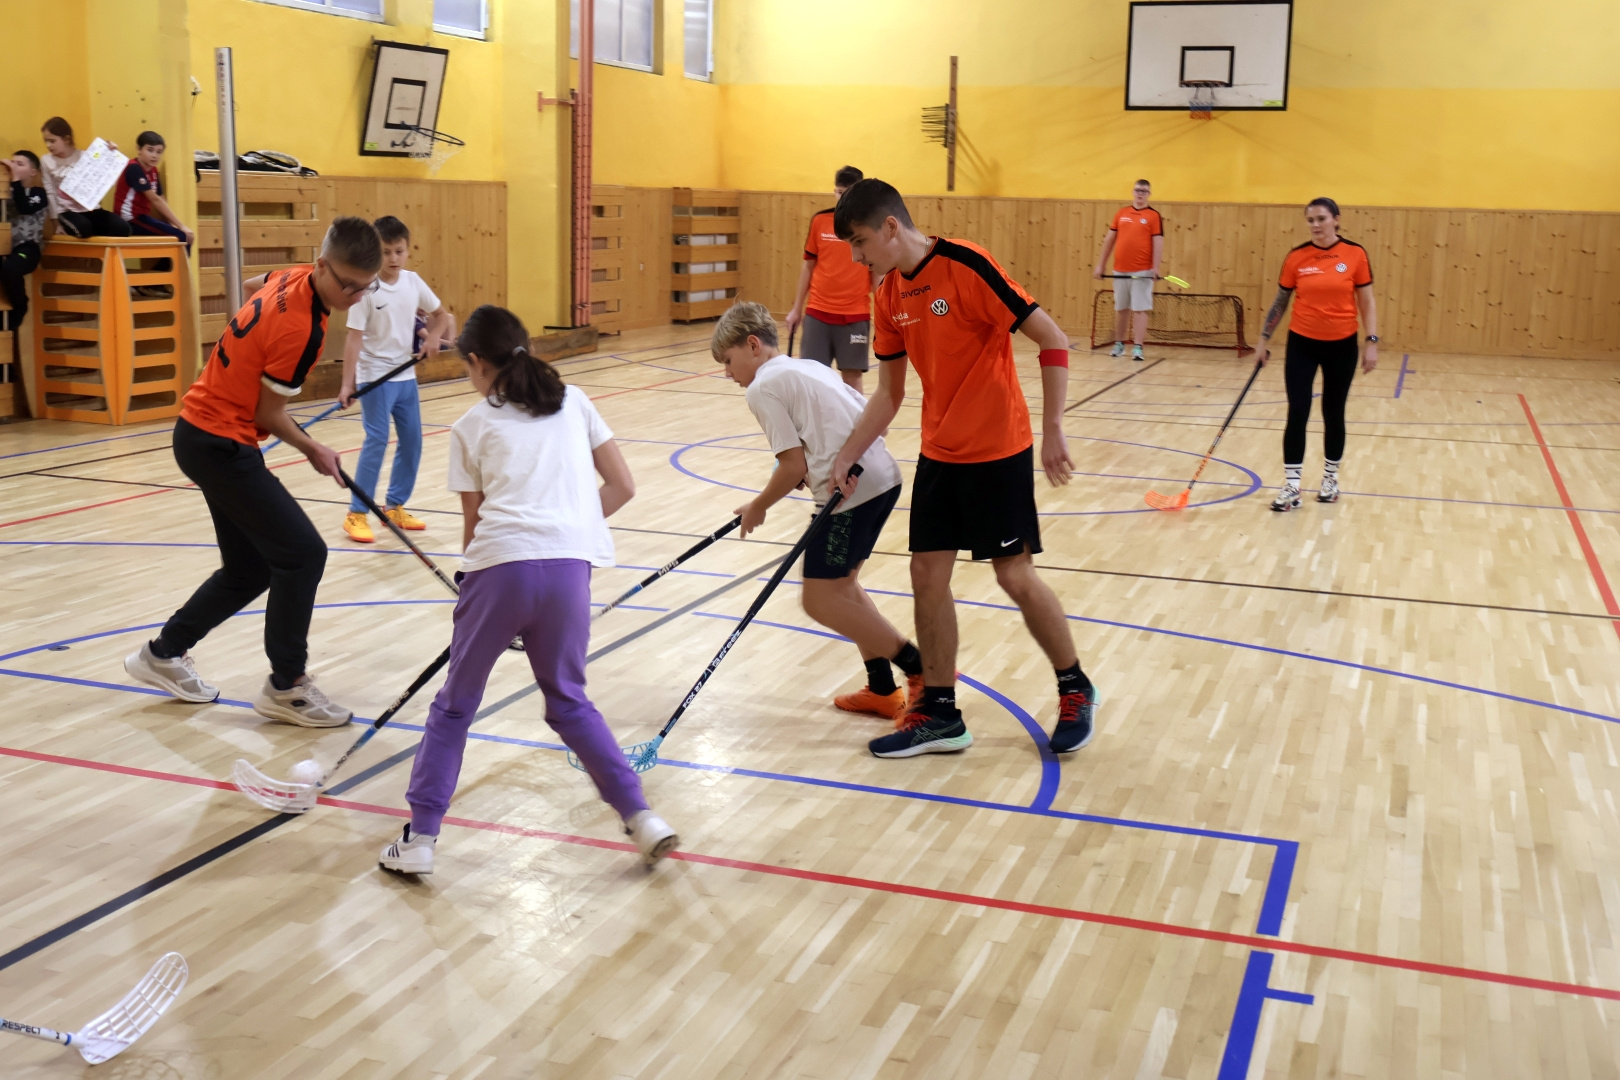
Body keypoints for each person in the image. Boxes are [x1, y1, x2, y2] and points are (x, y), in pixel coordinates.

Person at [379, 305, 677, 875]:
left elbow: (475, 530)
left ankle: (421, 840)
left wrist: (476, 592)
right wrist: (565, 529)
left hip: (500, 571)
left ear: (475, 361)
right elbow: (622, 486)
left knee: (454, 707)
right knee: (569, 702)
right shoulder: (576, 401)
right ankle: (641, 817)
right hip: (570, 571)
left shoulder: (470, 426)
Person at [828, 179, 1099, 759]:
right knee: (926, 576)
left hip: (999, 449)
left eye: (859, 242)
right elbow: (889, 393)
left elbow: (1052, 339)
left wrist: (1053, 428)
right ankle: (941, 713)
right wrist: (848, 455)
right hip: (940, 452)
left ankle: (1075, 686)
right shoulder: (888, 295)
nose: (856, 257)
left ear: (891, 227)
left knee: (1014, 577)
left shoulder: (966, 265)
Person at [122, 218, 384, 727]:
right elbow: (269, 413)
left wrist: (247, 353)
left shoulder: (292, 277)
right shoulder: (302, 330)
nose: (354, 296)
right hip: (219, 443)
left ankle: (162, 654)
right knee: (303, 554)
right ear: (323, 265)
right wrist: (313, 448)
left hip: (202, 435)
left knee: (251, 569)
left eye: (364, 287)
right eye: (347, 284)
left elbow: (249, 287)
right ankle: (287, 687)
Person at [712, 301, 924, 722]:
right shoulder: (808, 367)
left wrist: (758, 506)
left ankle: (922, 669)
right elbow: (871, 423)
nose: (727, 373)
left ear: (752, 345)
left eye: (728, 361)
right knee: (842, 588)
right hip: (882, 478)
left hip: (850, 492)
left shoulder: (762, 388)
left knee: (819, 599)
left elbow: (792, 466)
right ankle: (883, 689)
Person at [1254, 197, 1378, 510]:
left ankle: (1330, 480)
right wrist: (1263, 338)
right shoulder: (1297, 257)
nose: (1316, 225)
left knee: (1333, 413)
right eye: (1310, 220)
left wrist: (1371, 340)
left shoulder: (1355, 254)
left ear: (1336, 219)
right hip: (1302, 344)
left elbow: (1366, 300)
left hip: (1342, 345)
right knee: (1297, 411)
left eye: (1321, 219)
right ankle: (1292, 487)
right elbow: (1281, 301)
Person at [336, 215, 451, 543]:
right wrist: (347, 384)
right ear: (376, 252)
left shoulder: (413, 282)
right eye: (386, 252)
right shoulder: (367, 288)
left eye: (399, 251)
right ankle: (357, 513)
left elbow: (442, 315)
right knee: (377, 440)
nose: (393, 258)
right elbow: (353, 338)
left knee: (412, 441)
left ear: (407, 250)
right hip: (375, 377)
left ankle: (395, 506)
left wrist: (434, 337)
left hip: (405, 377)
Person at [784, 165, 873, 392]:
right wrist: (796, 309)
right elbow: (808, 266)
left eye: (847, 193)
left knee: (852, 380)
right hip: (818, 313)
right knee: (813, 379)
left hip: (855, 315)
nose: (842, 198)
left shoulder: (870, 225)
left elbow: (877, 273)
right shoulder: (820, 221)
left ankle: (855, 418)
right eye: (839, 192)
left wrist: (885, 315)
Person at [1092, 179, 1163, 361]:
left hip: (1143, 272)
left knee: (1140, 309)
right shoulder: (1121, 213)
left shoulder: (1154, 216)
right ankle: (1119, 344)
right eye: (1138, 190)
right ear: (1133, 191)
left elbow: (1158, 242)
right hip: (1120, 271)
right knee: (1121, 308)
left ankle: (1138, 347)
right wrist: (1101, 265)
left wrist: (1155, 268)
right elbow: (1109, 240)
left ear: (1149, 194)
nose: (1140, 194)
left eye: (1144, 191)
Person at [38, 117, 131, 239]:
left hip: (90, 208)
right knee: (84, 228)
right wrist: (55, 223)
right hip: (66, 211)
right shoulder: (46, 160)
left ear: (66, 139)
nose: (48, 145)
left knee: (123, 228)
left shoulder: (84, 155)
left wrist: (109, 151)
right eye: (46, 141)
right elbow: (50, 193)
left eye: (52, 141)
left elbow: (103, 178)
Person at [113, 131, 196, 251]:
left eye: (159, 152)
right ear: (139, 149)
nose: (154, 155)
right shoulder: (133, 167)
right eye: (150, 150)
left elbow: (161, 198)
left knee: (179, 235)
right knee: (182, 236)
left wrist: (171, 224)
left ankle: (165, 264)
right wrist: (181, 226)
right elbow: (155, 199)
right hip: (129, 219)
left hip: (142, 217)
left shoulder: (154, 171)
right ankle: (177, 264)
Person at [0, 151, 48, 330]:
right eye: (12, 163)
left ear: (32, 172)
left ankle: (21, 306)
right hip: (5, 248)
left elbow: (24, 207)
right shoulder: (5, 194)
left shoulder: (38, 193)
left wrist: (15, 180)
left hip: (27, 248)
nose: (13, 166)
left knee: (11, 269)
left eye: (20, 164)